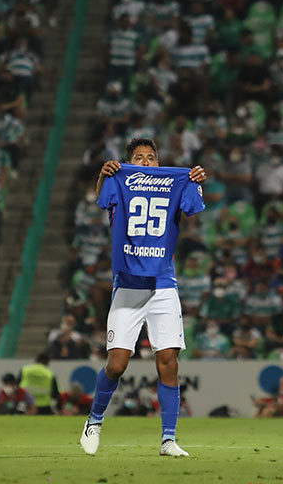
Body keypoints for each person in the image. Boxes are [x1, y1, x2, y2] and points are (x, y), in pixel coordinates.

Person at [80, 138, 206, 458]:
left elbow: (192, 209)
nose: (147, 162)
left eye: (152, 157)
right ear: (129, 162)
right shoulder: (119, 180)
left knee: (169, 362)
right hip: (128, 285)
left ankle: (168, 439)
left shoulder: (174, 182)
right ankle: (94, 420)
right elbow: (103, 199)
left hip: (164, 285)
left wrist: (195, 182)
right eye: (139, 157)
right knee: (118, 363)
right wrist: (104, 176)